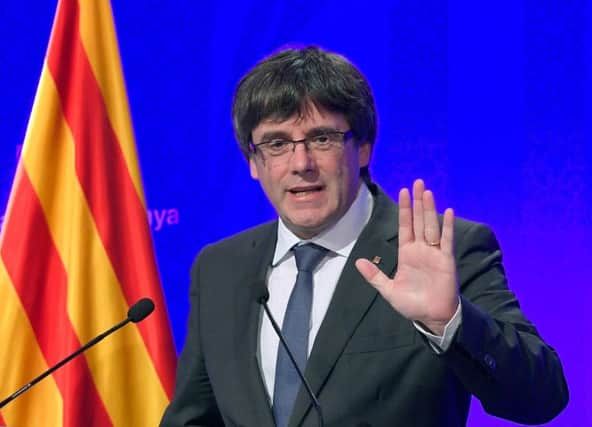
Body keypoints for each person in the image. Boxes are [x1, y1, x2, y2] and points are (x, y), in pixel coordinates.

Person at [160, 46, 568, 427]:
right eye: (277, 143)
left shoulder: (447, 249)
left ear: (365, 147)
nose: (301, 164)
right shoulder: (221, 268)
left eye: (322, 138)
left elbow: (541, 397)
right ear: (253, 161)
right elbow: (195, 417)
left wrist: (449, 322)